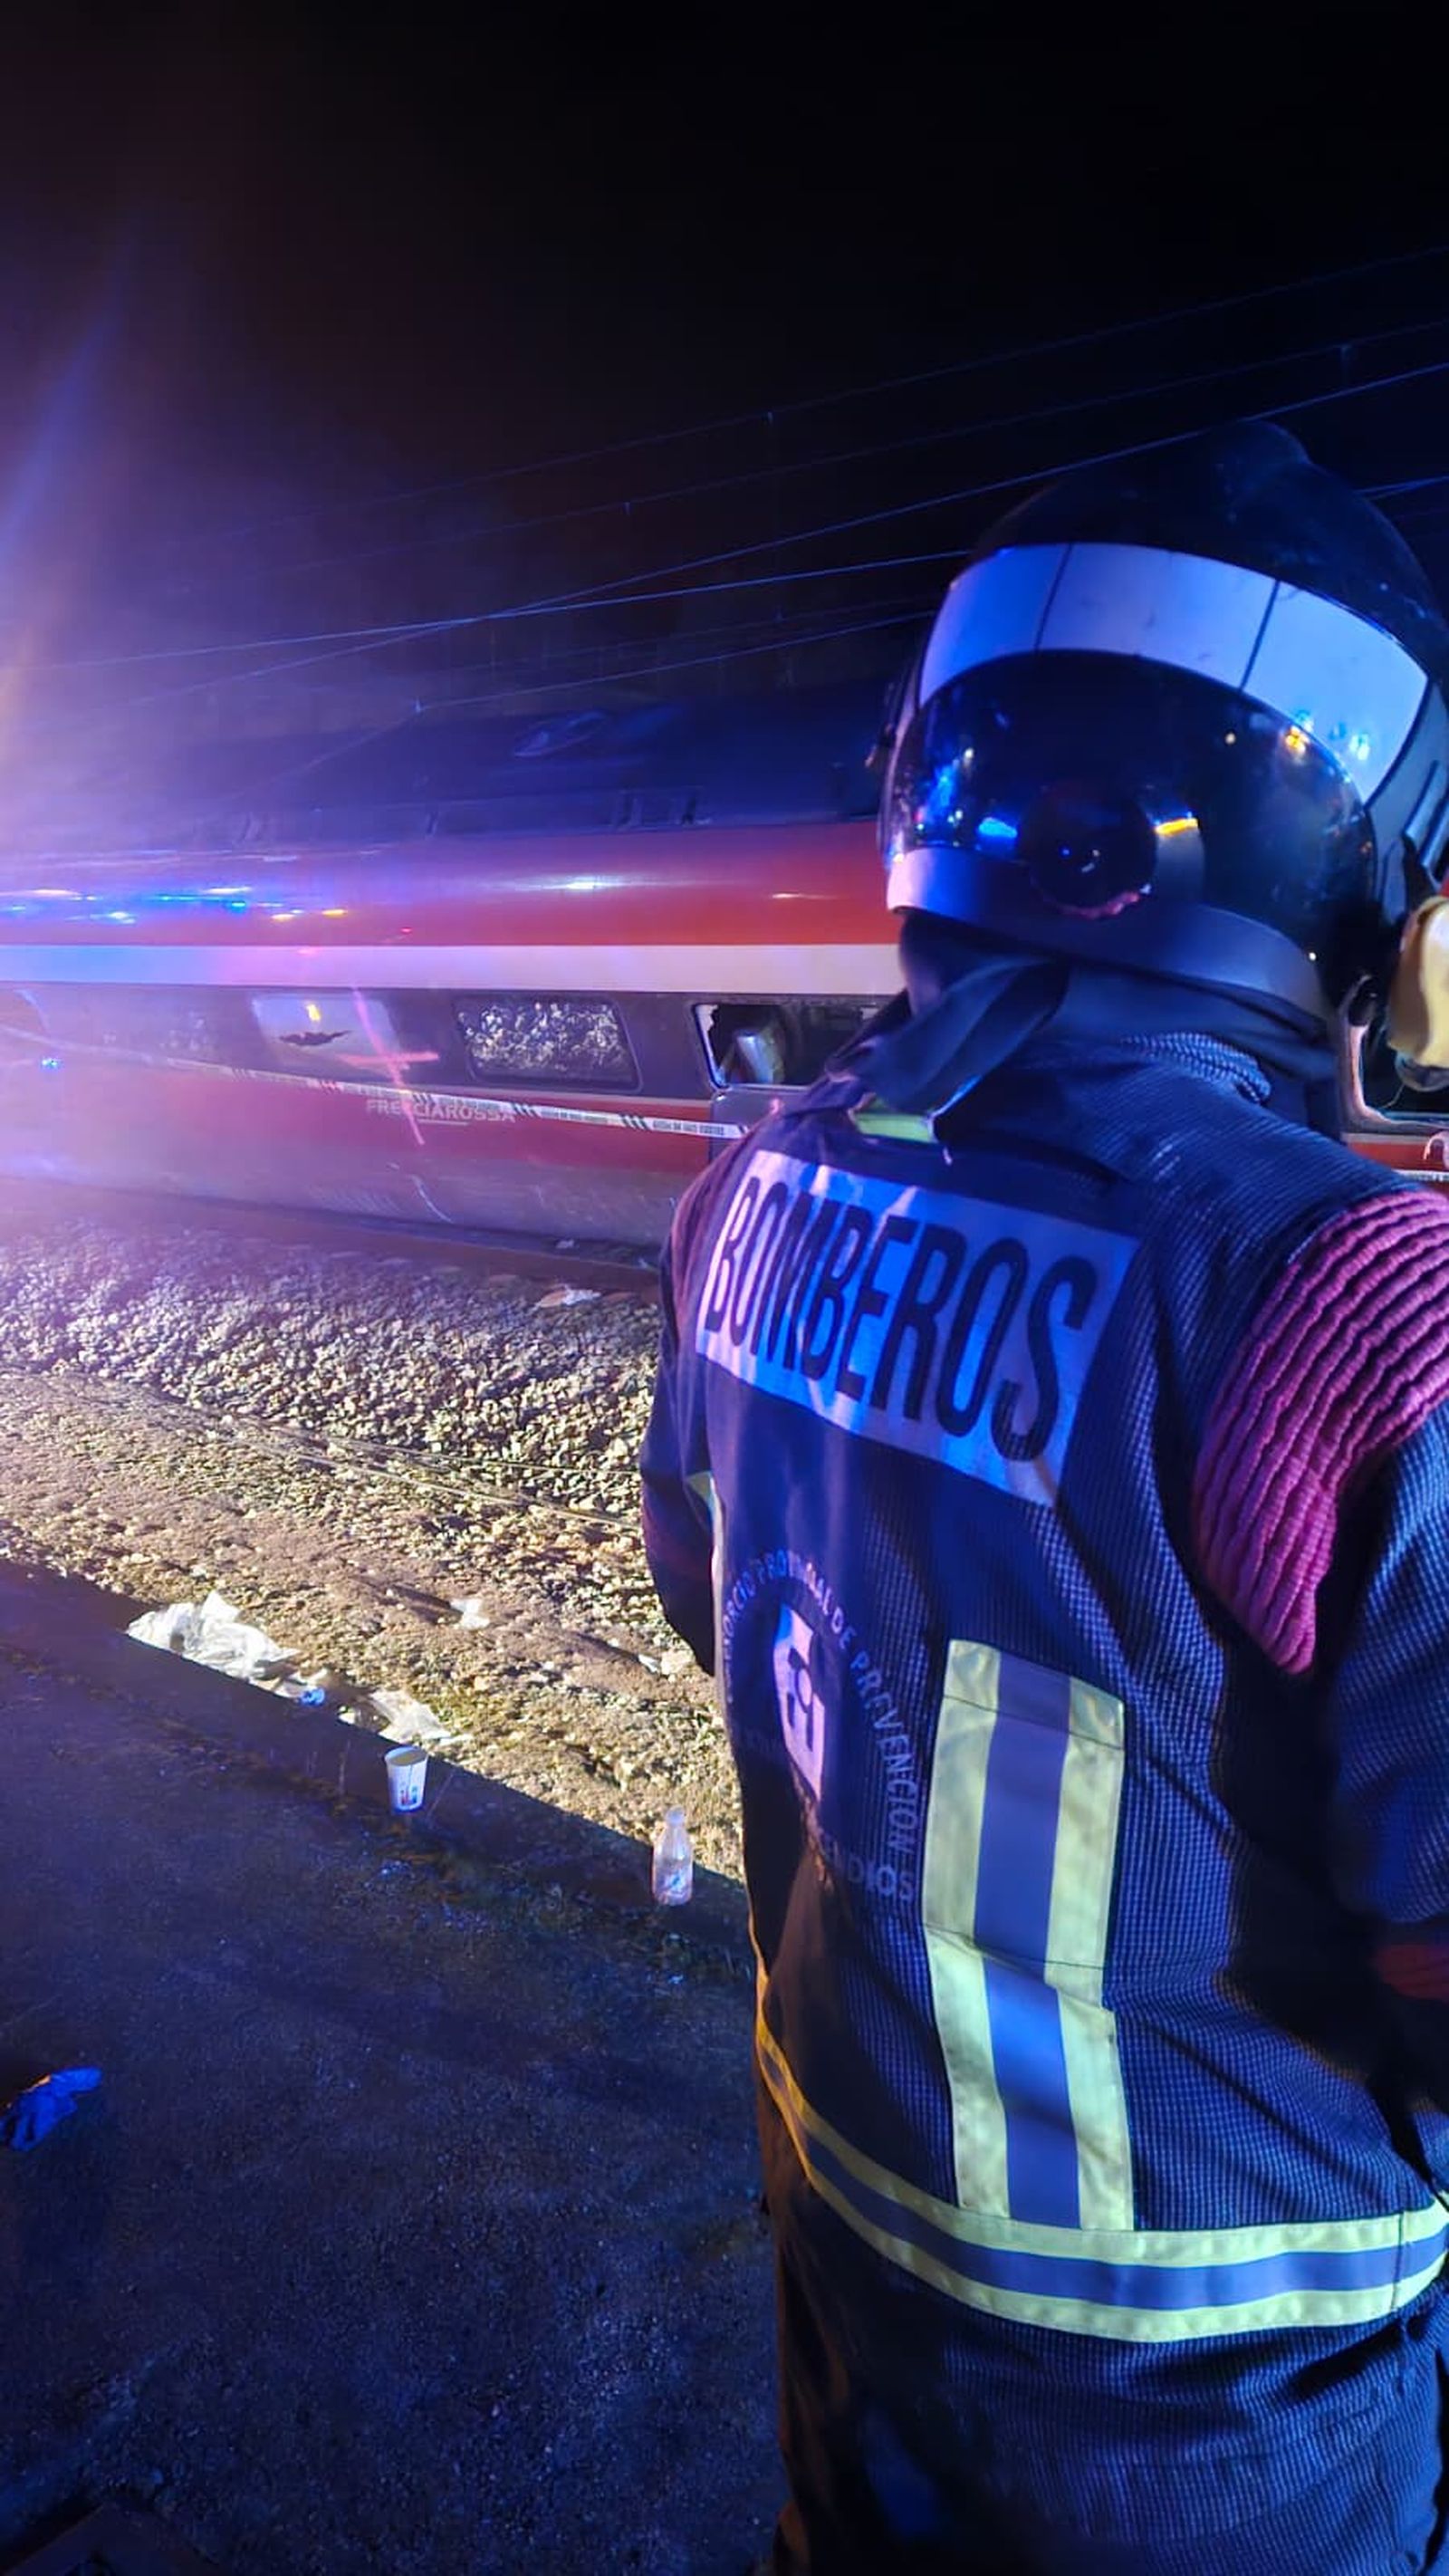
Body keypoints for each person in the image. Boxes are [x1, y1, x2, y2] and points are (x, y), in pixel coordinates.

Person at [640, 421, 1449, 2572]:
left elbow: (702, 1591)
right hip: (1224, 2403)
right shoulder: (1358, 1301)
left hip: (849, 2247)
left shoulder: (750, 1193)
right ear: (1369, 893)